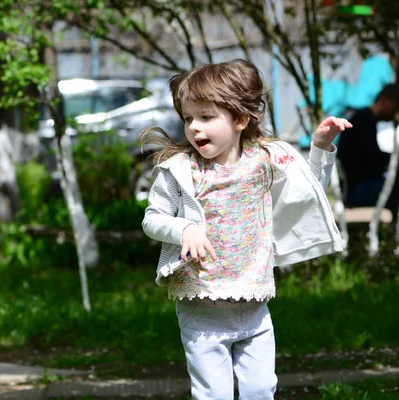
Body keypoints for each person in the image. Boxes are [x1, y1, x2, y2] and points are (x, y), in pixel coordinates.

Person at [140, 59, 351, 400]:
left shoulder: (265, 159)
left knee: (260, 389)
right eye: (189, 118)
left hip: (253, 302)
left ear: (239, 119)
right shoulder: (180, 170)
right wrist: (184, 229)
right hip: (201, 306)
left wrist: (321, 147)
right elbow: (152, 218)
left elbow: (308, 190)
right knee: (214, 394)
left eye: (206, 117)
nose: (194, 127)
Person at [336, 83, 399, 209]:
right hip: (357, 190)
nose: (395, 113)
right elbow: (371, 159)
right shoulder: (365, 120)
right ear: (387, 101)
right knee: (398, 191)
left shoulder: (365, 118)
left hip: (358, 187)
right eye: (396, 107)